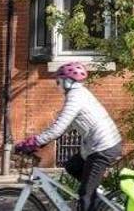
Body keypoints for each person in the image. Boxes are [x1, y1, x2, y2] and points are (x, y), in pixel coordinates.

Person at [14, 61, 123, 211]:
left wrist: (33, 142)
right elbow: (67, 126)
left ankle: (92, 198)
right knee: (72, 166)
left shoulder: (75, 97)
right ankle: (97, 195)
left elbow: (58, 128)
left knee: (85, 196)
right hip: (97, 145)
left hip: (102, 147)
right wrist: (43, 141)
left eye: (59, 81)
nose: (58, 85)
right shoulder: (79, 94)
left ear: (67, 81)